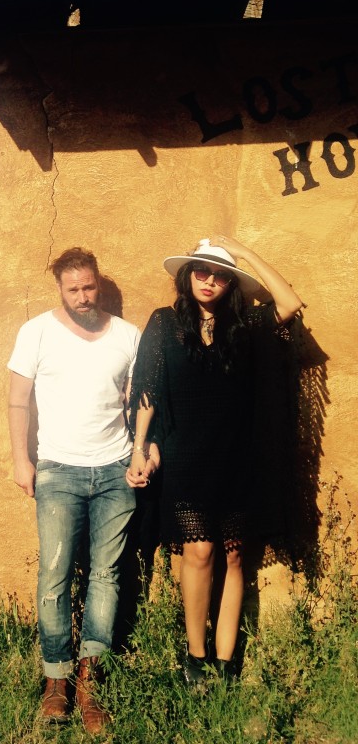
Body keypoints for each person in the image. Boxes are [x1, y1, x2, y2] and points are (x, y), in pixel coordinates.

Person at [126, 234, 303, 686]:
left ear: (231, 283)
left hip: (238, 459)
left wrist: (243, 254)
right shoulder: (165, 322)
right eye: (201, 271)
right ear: (187, 276)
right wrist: (140, 447)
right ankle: (195, 657)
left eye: (221, 275)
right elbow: (147, 389)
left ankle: (225, 663)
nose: (209, 280)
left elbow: (289, 303)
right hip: (186, 457)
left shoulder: (246, 325)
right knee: (200, 552)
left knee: (235, 556)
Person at [8, 247, 144, 733]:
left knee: (106, 576)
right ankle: (55, 680)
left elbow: (141, 403)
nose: (84, 296)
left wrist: (144, 452)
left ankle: (90, 681)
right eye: (74, 289)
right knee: (55, 574)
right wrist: (21, 459)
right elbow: (18, 401)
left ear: (98, 284)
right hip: (58, 470)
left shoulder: (128, 336)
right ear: (60, 290)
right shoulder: (36, 332)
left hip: (114, 470)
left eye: (89, 287)